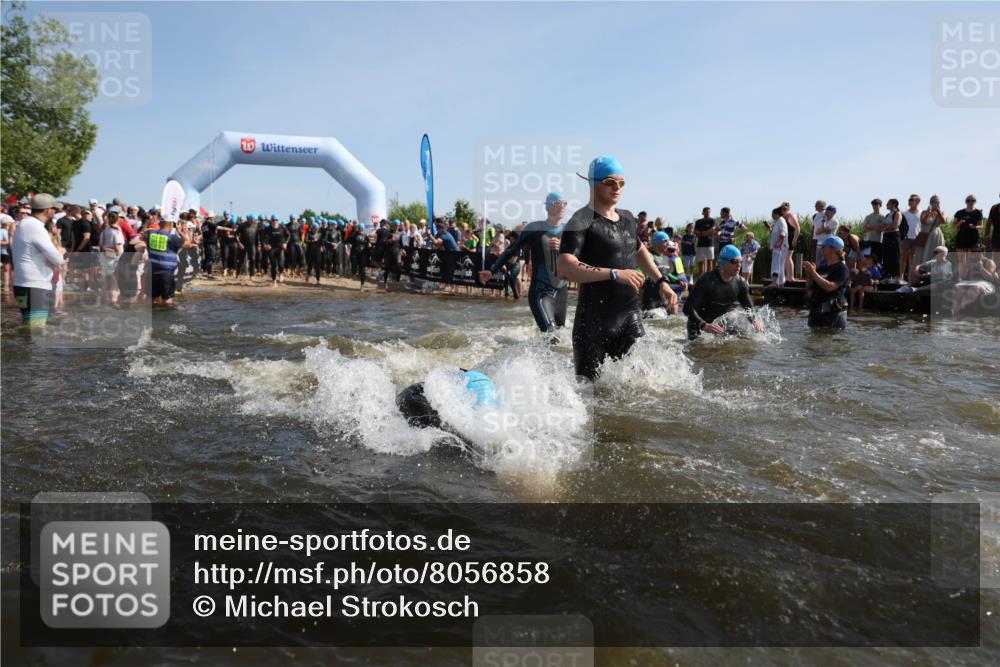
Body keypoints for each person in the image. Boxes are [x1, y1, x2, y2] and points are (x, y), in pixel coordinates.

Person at [557, 156, 679, 381]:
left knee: (644, 387)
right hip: (593, 324)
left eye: (621, 183)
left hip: (629, 317)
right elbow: (565, 267)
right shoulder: (581, 220)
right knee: (591, 396)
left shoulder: (627, 218)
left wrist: (661, 282)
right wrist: (613, 273)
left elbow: (640, 250)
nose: (617, 188)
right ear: (593, 183)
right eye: (610, 181)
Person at [479, 192, 569, 332]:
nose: (563, 206)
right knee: (551, 333)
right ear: (548, 207)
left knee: (560, 334)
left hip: (561, 291)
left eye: (565, 203)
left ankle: (532, 353)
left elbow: (580, 255)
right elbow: (511, 250)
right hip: (540, 291)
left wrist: (564, 246)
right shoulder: (534, 229)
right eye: (558, 203)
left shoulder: (569, 231)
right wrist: (492, 270)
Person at [683, 244, 762, 339]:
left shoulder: (740, 283)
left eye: (741, 261)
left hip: (720, 327)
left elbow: (749, 309)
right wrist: (704, 325)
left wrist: (755, 320)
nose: (739, 265)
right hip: (699, 326)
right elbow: (687, 308)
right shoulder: (707, 280)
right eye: (734, 261)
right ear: (723, 262)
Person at [10, 194, 66, 327]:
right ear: (48, 210)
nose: (55, 212)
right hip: (35, 287)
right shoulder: (36, 227)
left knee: (28, 327)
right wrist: (61, 251)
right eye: (54, 209)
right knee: (37, 331)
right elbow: (57, 259)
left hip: (22, 285)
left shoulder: (25, 224)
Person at [802, 236, 850, 329]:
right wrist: (809, 275)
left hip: (833, 314)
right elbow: (809, 289)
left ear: (832, 249)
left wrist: (813, 272)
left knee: (830, 340)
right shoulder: (821, 268)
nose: (822, 249)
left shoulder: (842, 268)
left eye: (824, 246)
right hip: (817, 311)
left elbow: (830, 287)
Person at [146, 215, 192, 305]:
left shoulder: (151, 234)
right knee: (167, 300)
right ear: (171, 224)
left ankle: (155, 317)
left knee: (153, 300)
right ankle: (167, 317)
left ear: (160, 223)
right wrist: (180, 232)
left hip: (152, 272)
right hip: (166, 273)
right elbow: (188, 244)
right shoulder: (172, 238)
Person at [642, 232, 688, 310]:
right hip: (651, 295)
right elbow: (642, 270)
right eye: (665, 241)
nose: (668, 243)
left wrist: (678, 281)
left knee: (672, 313)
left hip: (664, 294)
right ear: (657, 242)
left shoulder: (666, 258)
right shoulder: (650, 256)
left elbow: (667, 274)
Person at [954, 194, 983, 280]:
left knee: (971, 260)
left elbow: (981, 226)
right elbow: (954, 226)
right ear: (966, 202)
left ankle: (969, 279)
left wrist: (975, 227)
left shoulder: (978, 212)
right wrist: (960, 222)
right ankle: (961, 278)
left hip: (973, 239)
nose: (970, 202)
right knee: (962, 260)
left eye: (973, 201)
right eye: (969, 200)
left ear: (975, 202)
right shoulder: (959, 212)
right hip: (961, 238)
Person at [99, 209, 125, 303]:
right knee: (114, 282)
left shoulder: (105, 231)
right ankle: (113, 302)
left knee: (106, 281)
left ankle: (102, 300)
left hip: (104, 257)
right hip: (114, 259)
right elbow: (118, 247)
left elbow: (101, 244)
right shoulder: (116, 232)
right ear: (117, 220)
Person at [915, 195, 948, 269]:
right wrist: (928, 213)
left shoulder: (942, 212)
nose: (935, 204)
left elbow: (944, 221)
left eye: (936, 202)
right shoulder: (924, 212)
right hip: (926, 236)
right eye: (933, 202)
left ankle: (937, 271)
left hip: (936, 237)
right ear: (930, 202)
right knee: (924, 254)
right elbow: (923, 221)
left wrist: (938, 212)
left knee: (937, 254)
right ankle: (923, 271)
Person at [900, 194, 922, 282]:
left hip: (917, 238)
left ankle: (911, 277)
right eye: (910, 199)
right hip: (906, 238)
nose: (910, 201)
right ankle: (901, 277)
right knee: (903, 258)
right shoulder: (904, 214)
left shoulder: (922, 212)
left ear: (918, 202)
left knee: (913, 260)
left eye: (912, 200)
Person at [263, 215, 289, 286]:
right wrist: (265, 245)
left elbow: (288, 235)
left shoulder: (282, 227)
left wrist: (285, 243)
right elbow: (263, 238)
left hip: (280, 248)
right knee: (273, 265)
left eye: (276, 220)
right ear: (271, 221)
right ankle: (274, 281)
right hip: (272, 249)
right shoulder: (267, 229)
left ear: (278, 221)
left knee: (281, 264)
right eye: (273, 220)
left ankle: (281, 273)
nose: (275, 222)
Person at [694, 207, 717, 275]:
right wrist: (702, 233)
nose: (708, 213)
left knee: (710, 261)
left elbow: (713, 229)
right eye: (706, 212)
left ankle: (709, 277)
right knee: (701, 262)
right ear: (703, 212)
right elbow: (695, 231)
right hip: (700, 244)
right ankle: (702, 277)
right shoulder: (698, 221)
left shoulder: (712, 220)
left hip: (710, 244)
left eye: (709, 212)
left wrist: (703, 233)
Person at [768, 207, 788, 286]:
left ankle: (775, 281)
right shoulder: (776, 221)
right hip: (777, 247)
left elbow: (783, 233)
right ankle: (780, 283)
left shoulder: (781, 221)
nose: (772, 216)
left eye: (773, 214)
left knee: (777, 264)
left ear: (777, 214)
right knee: (779, 265)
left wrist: (779, 243)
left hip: (780, 247)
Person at [780, 202, 800, 280]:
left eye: (785, 209)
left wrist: (795, 240)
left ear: (788, 209)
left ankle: (790, 277)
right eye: (782, 210)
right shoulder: (783, 217)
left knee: (788, 257)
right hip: (785, 238)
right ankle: (786, 276)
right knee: (785, 258)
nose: (783, 211)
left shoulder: (791, 216)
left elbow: (797, 229)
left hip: (791, 238)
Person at [200, 212, 218, 278]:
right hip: (211, 243)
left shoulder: (203, 224)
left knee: (207, 258)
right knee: (211, 258)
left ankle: (204, 271)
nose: (213, 218)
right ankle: (209, 273)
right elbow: (218, 228)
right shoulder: (210, 224)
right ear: (210, 217)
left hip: (206, 243)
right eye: (213, 217)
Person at [987, 193, 1000, 264]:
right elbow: (989, 223)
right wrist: (986, 236)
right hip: (996, 237)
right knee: (996, 261)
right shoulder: (994, 208)